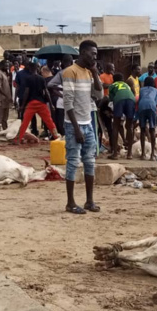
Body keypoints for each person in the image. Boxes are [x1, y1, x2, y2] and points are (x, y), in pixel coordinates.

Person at [62, 40, 103, 215]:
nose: (94, 57)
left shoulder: (88, 72)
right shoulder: (70, 72)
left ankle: (89, 201)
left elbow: (99, 94)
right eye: (92, 54)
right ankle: (70, 203)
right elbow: (68, 103)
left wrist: (95, 73)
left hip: (88, 122)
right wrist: (77, 129)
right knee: (72, 162)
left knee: (90, 162)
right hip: (74, 125)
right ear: (83, 52)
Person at [16, 61, 58, 144]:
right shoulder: (41, 78)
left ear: (30, 69)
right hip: (41, 103)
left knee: (25, 122)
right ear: (37, 69)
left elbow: (26, 92)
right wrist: (51, 104)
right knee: (49, 121)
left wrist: (23, 105)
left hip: (31, 103)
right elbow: (46, 92)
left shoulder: (28, 79)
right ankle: (56, 136)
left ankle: (18, 139)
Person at [107, 73, 136, 159]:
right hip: (131, 99)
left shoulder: (112, 85)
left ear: (114, 80)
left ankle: (115, 154)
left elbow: (111, 100)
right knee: (130, 126)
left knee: (115, 125)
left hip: (119, 100)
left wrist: (112, 113)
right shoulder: (126, 85)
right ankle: (129, 154)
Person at [47, 54, 73, 136]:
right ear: (72, 62)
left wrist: (62, 90)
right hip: (73, 101)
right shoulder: (76, 72)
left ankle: (64, 136)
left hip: (62, 102)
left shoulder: (61, 73)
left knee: (61, 122)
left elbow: (50, 85)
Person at [138, 76, 157, 160]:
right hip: (151, 107)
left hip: (142, 106)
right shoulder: (156, 90)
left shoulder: (141, 90)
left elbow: (140, 100)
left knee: (142, 129)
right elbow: (156, 103)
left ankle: (143, 154)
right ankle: (152, 155)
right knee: (152, 129)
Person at [0, 60, 11, 131]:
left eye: (8, 66)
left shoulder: (4, 73)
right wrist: (6, 95)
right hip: (0, 99)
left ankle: (5, 130)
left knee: (5, 118)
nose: (7, 67)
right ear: (1, 65)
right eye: (6, 66)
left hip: (5, 99)